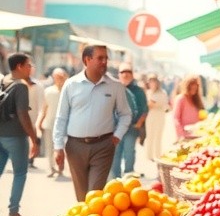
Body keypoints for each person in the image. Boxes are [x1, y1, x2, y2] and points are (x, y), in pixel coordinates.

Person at [53, 45, 132, 201]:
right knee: (81, 196)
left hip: (103, 146)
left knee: (94, 194)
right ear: (87, 60)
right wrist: (58, 146)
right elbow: (61, 117)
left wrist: (118, 135)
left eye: (106, 58)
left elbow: (125, 114)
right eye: (100, 58)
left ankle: (92, 215)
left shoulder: (115, 86)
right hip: (75, 147)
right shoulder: (71, 84)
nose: (104, 62)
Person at [0, 52, 39, 216]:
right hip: (16, 136)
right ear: (19, 66)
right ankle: (13, 212)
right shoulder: (21, 86)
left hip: (0, 135)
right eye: (28, 65)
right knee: (20, 173)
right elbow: (23, 114)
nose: (31, 68)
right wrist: (34, 138)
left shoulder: (4, 81)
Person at [109, 64, 148, 178]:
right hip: (116, 128)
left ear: (132, 75)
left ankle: (128, 175)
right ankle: (116, 177)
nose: (125, 74)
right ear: (119, 74)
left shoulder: (138, 91)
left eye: (128, 72)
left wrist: (139, 124)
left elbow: (144, 109)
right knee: (116, 153)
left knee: (129, 151)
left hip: (132, 127)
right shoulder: (114, 89)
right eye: (123, 72)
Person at [36, 68, 68, 177]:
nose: (60, 79)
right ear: (54, 77)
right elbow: (44, 109)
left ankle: (60, 167)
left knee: (62, 147)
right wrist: (39, 123)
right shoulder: (48, 91)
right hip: (49, 124)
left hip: (64, 126)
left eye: (62, 76)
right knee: (49, 148)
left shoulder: (68, 90)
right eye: (57, 77)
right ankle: (52, 168)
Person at [143, 73, 169, 162]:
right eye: (150, 81)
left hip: (160, 116)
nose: (152, 83)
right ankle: (149, 155)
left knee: (158, 136)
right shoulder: (148, 93)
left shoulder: (162, 93)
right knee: (150, 136)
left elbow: (152, 104)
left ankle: (158, 155)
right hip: (150, 116)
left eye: (154, 81)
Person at [25, 69, 44, 168]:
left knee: (33, 139)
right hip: (21, 117)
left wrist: (39, 120)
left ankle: (31, 160)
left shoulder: (38, 86)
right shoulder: (18, 84)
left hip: (34, 118)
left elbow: (41, 105)